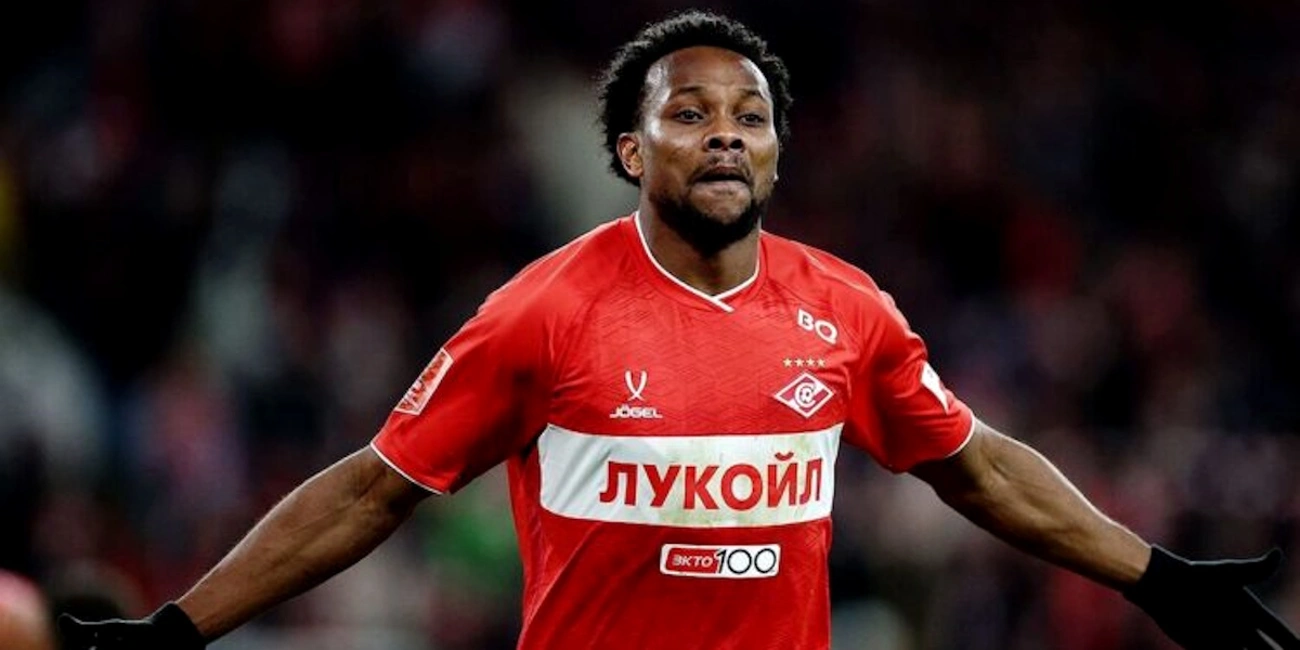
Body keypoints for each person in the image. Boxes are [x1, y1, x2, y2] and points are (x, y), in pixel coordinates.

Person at [60, 10, 1299, 650]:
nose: (723, 134)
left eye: (748, 115)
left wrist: (1152, 574)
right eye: (689, 112)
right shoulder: (543, 312)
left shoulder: (845, 308)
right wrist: (183, 626)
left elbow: (976, 467)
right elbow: (370, 490)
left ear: (776, 151)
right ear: (626, 149)